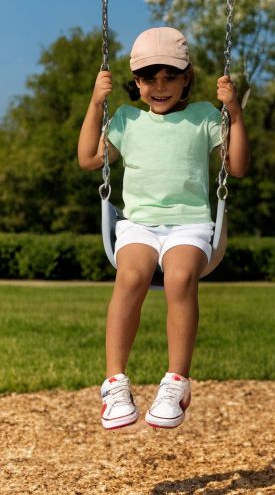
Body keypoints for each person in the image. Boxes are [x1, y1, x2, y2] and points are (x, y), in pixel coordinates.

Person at [77, 26, 250, 430]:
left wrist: (235, 114)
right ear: (135, 82)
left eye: (170, 75)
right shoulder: (126, 119)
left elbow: (237, 167)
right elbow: (88, 158)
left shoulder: (205, 116)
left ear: (186, 77)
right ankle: (115, 383)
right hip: (138, 224)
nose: (159, 86)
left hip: (189, 225)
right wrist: (94, 102)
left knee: (179, 277)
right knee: (131, 276)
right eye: (148, 77)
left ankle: (176, 381)